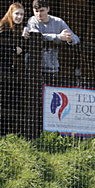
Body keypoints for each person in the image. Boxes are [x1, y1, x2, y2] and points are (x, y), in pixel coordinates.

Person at [24, 0, 79, 84]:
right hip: (34, 68)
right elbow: (37, 36)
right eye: (36, 11)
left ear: (48, 9)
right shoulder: (32, 21)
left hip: (53, 67)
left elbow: (76, 38)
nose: (39, 14)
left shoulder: (58, 22)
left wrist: (69, 39)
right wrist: (58, 37)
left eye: (42, 10)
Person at [0, 2, 25, 135]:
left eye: (21, 14)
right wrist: (14, 49)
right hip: (2, 68)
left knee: (10, 98)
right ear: (11, 13)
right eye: (17, 13)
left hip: (8, 67)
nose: (19, 17)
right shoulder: (4, 26)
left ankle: (7, 132)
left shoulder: (15, 28)